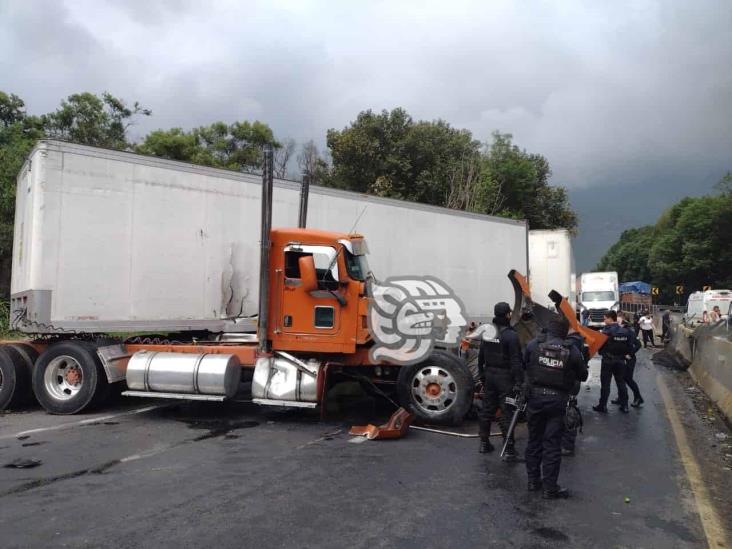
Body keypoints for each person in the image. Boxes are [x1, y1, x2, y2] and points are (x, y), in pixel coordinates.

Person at [523, 316, 588, 499]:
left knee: (534, 440)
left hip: (535, 399)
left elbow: (524, 365)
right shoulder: (571, 350)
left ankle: (533, 481)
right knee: (552, 444)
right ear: (565, 331)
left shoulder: (533, 345)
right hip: (557, 401)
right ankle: (550, 488)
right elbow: (583, 375)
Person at [478, 302, 524, 460]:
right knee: (506, 411)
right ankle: (509, 448)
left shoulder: (488, 332)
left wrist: (482, 376)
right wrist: (519, 382)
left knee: (487, 409)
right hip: (505, 378)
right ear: (507, 315)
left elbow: (481, 357)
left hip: (490, 374)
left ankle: (484, 443)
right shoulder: (511, 335)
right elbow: (516, 361)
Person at [593, 310, 635, 413]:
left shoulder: (606, 332)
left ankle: (602, 406)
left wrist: (601, 352)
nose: (604, 321)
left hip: (608, 360)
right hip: (621, 361)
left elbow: (599, 346)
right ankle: (624, 406)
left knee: (605, 385)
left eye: (604, 319)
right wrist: (626, 355)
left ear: (610, 318)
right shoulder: (625, 331)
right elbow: (630, 347)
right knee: (621, 383)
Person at [561, 328, 589, 456]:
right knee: (569, 409)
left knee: (564, 412)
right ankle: (568, 445)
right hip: (575, 381)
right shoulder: (581, 342)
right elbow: (584, 370)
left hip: (565, 382)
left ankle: (565, 444)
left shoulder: (568, 346)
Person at [614, 312, 643, 407]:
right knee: (620, 379)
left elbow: (638, 345)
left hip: (629, 359)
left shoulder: (629, 330)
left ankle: (638, 398)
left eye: (618, 318)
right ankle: (621, 397)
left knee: (628, 379)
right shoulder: (618, 329)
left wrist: (630, 354)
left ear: (623, 319)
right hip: (620, 358)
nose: (616, 319)